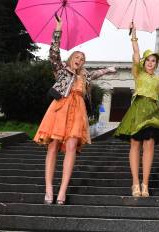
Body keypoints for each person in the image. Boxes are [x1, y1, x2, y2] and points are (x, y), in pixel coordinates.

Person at [34, 16, 116, 205]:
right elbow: (53, 54)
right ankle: (49, 189)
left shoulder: (85, 76)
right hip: (59, 108)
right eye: (77, 57)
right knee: (53, 146)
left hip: (77, 112)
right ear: (71, 59)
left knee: (71, 148)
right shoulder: (62, 70)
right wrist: (58, 29)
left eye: (82, 59)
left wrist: (108, 70)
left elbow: (95, 74)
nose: (80, 60)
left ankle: (62, 191)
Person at [114, 23, 159, 197]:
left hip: (153, 111)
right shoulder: (138, 73)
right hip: (137, 110)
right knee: (135, 144)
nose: (151, 63)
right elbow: (136, 54)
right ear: (144, 63)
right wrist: (134, 35)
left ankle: (145, 183)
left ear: (156, 64)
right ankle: (135, 183)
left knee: (149, 144)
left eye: (154, 60)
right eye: (148, 60)